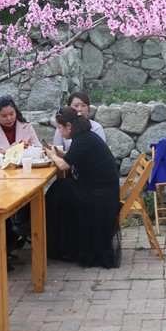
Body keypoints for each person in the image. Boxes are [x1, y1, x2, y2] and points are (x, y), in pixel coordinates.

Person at [43, 107, 121, 268]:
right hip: (98, 188)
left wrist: (52, 156)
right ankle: (60, 243)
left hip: (101, 194)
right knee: (61, 188)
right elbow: (71, 157)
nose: (59, 131)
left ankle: (49, 236)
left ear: (69, 126)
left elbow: (64, 166)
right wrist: (56, 152)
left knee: (60, 190)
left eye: (59, 127)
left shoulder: (83, 139)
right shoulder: (84, 137)